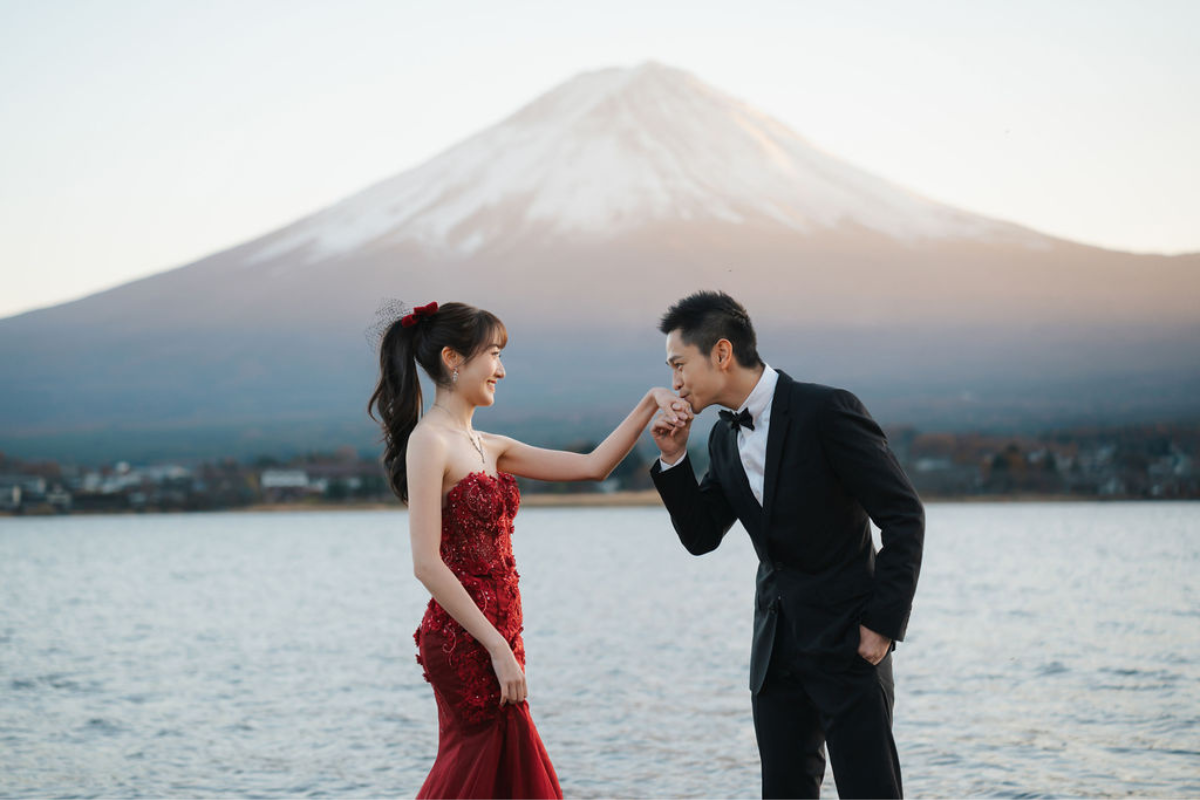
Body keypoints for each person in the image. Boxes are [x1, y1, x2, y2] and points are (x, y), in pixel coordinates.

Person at [366, 300, 692, 799]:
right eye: (493, 354)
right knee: (476, 770)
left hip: (501, 636)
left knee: (502, 776)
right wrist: (496, 647)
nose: (502, 368)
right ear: (453, 359)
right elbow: (426, 564)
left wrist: (651, 401)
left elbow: (593, 466)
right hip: (467, 641)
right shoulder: (428, 442)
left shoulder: (488, 445)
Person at [648, 290, 925, 799]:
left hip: (850, 646)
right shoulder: (722, 439)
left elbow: (904, 515)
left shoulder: (827, 410)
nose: (675, 382)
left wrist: (882, 625)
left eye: (679, 364)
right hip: (775, 657)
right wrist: (673, 459)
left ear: (722, 354)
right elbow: (702, 536)